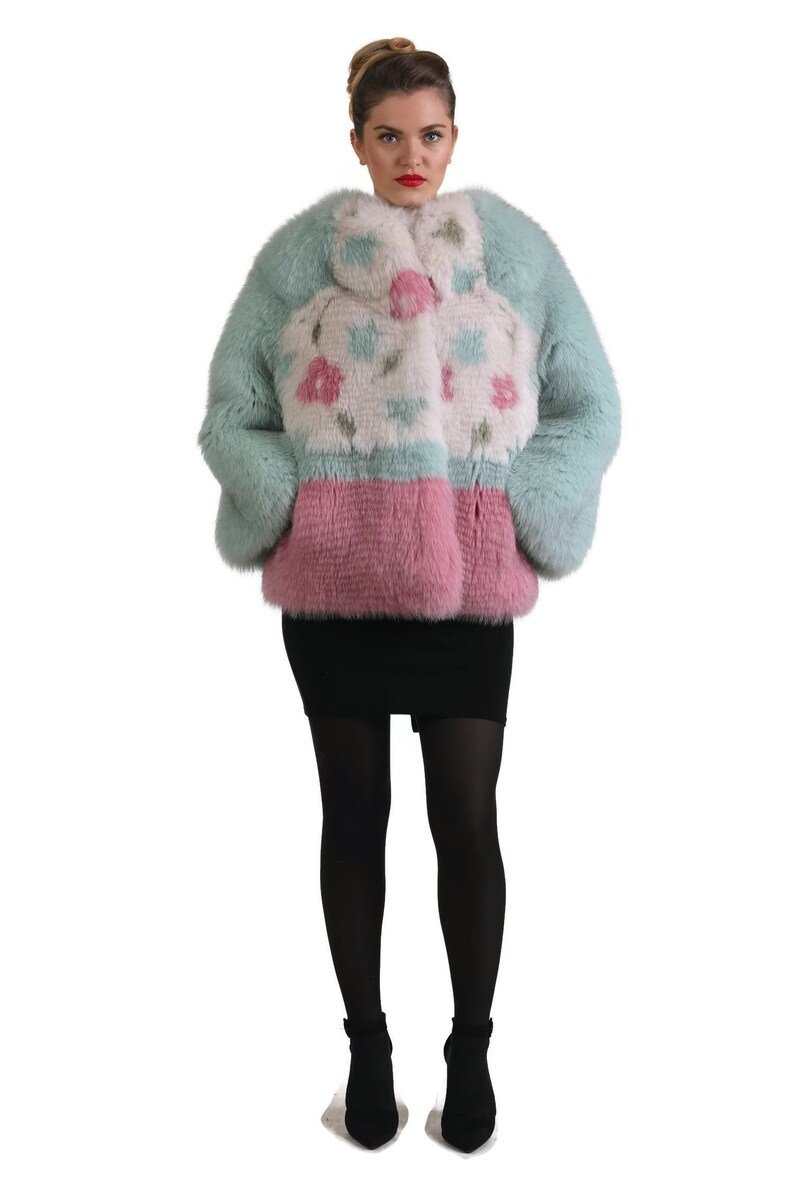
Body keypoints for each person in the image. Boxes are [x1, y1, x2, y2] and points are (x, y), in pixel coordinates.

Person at [197, 36, 621, 1153]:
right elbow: (232, 408)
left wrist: (525, 501)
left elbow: (590, 403)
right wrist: (293, 499)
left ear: (454, 136)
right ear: (356, 143)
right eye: (388, 136)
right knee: (354, 817)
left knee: (466, 819)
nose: (410, 155)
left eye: (428, 133)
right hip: (336, 587)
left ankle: (470, 1056)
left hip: (470, 587)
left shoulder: (513, 252)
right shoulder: (300, 258)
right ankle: (367, 1053)